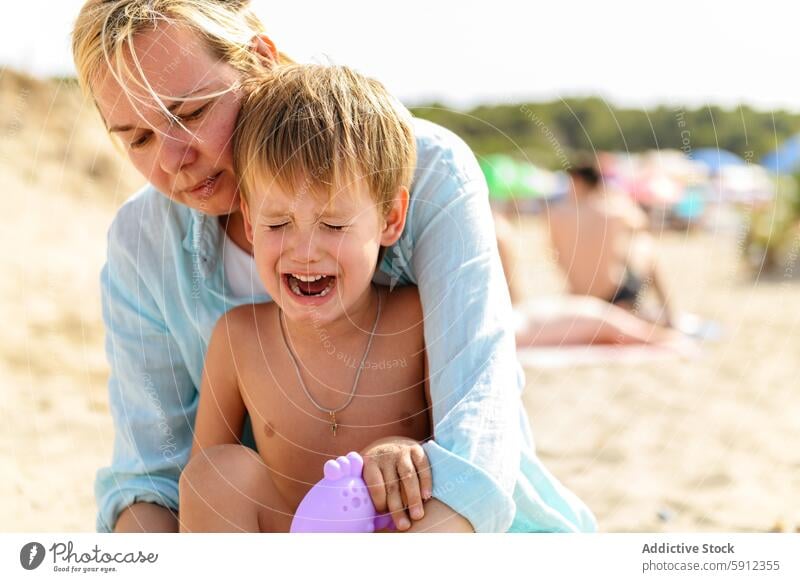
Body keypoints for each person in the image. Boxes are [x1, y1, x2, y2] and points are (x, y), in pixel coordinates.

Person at [72, 0, 595, 533]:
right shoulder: (144, 242)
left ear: (260, 59)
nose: (171, 157)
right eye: (137, 137)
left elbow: (477, 430)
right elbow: (155, 476)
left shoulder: (429, 172)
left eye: (191, 113)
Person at [181, 64, 436, 532]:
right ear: (251, 223)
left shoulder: (414, 320)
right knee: (216, 473)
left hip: (391, 536)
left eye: (334, 225)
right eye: (278, 224)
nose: (304, 251)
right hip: (288, 545)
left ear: (389, 218)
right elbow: (201, 486)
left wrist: (398, 448)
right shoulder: (239, 339)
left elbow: (462, 444)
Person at [547, 160, 673, 326]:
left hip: (577, 296)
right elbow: (642, 224)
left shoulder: (556, 215)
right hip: (613, 296)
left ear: (576, 181)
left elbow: (556, 255)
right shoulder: (613, 211)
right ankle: (671, 315)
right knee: (646, 246)